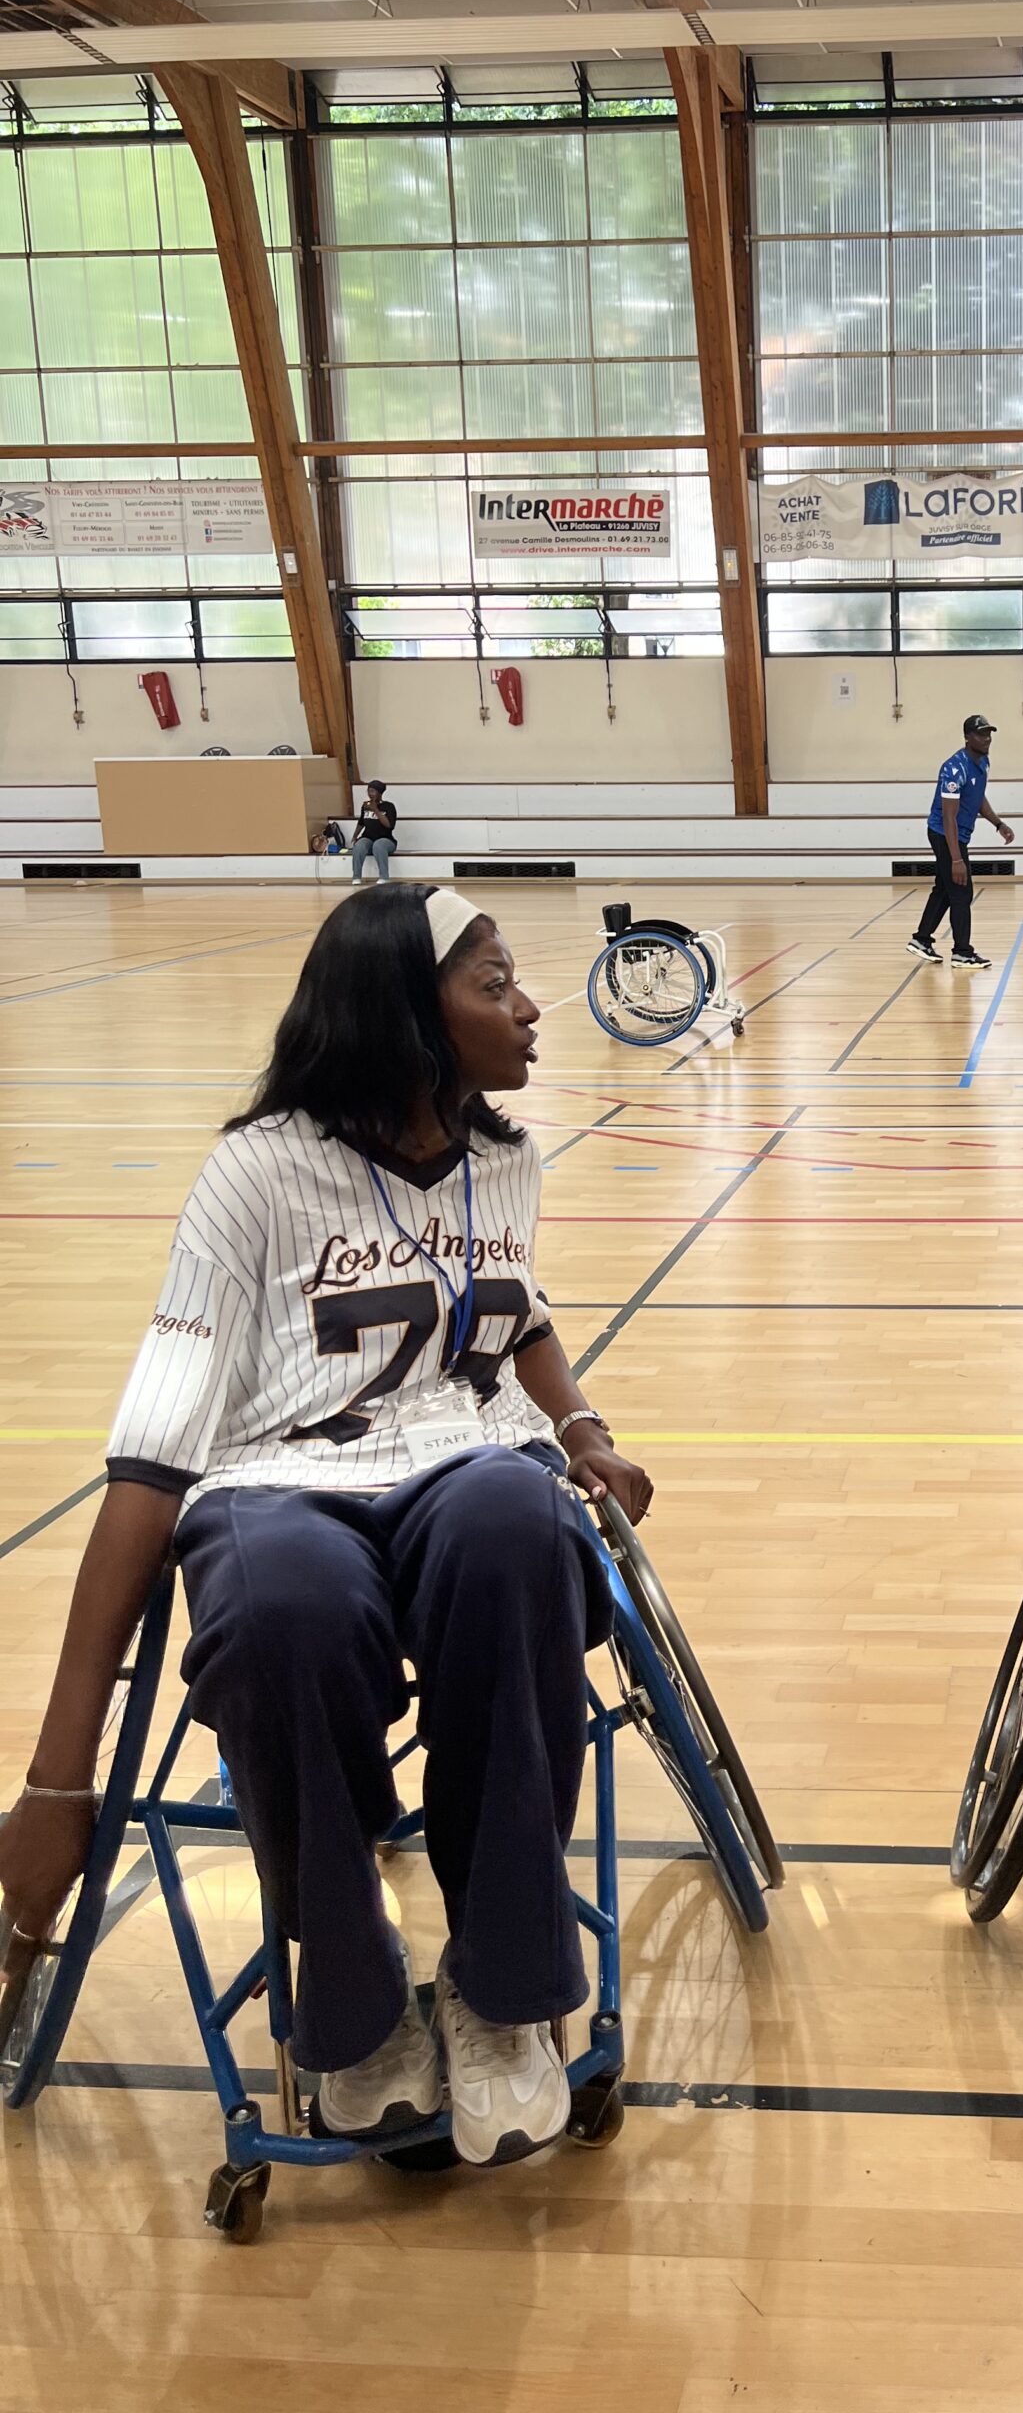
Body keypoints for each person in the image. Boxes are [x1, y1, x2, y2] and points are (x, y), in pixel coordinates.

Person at [0, 884, 653, 2169]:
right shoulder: (252, 1176)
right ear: (407, 1013)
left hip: (466, 1464)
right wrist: (57, 1784)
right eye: (495, 983)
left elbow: (511, 1309)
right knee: (282, 1606)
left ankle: (502, 1991)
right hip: (274, 1478)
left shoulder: (508, 1160)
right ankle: (350, 2005)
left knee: (518, 1531)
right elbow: (150, 1454)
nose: (531, 1009)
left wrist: (580, 1427)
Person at [908, 713, 1013, 974]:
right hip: (945, 834)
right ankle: (962, 952)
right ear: (967, 738)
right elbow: (948, 816)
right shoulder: (954, 768)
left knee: (944, 889)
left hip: (957, 834)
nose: (987, 739)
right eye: (981, 734)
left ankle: (921, 939)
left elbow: (977, 798)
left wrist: (998, 824)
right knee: (961, 891)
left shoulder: (983, 762)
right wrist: (956, 859)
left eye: (989, 734)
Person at [351, 780, 397, 884]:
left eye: (372, 791)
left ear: (379, 793)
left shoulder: (389, 806)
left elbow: (389, 825)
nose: (370, 794)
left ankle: (384, 877)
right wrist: (355, 836)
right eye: (368, 791)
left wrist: (375, 809)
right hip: (368, 838)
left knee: (378, 845)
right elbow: (361, 823)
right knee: (359, 846)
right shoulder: (365, 806)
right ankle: (356, 877)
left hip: (386, 840)